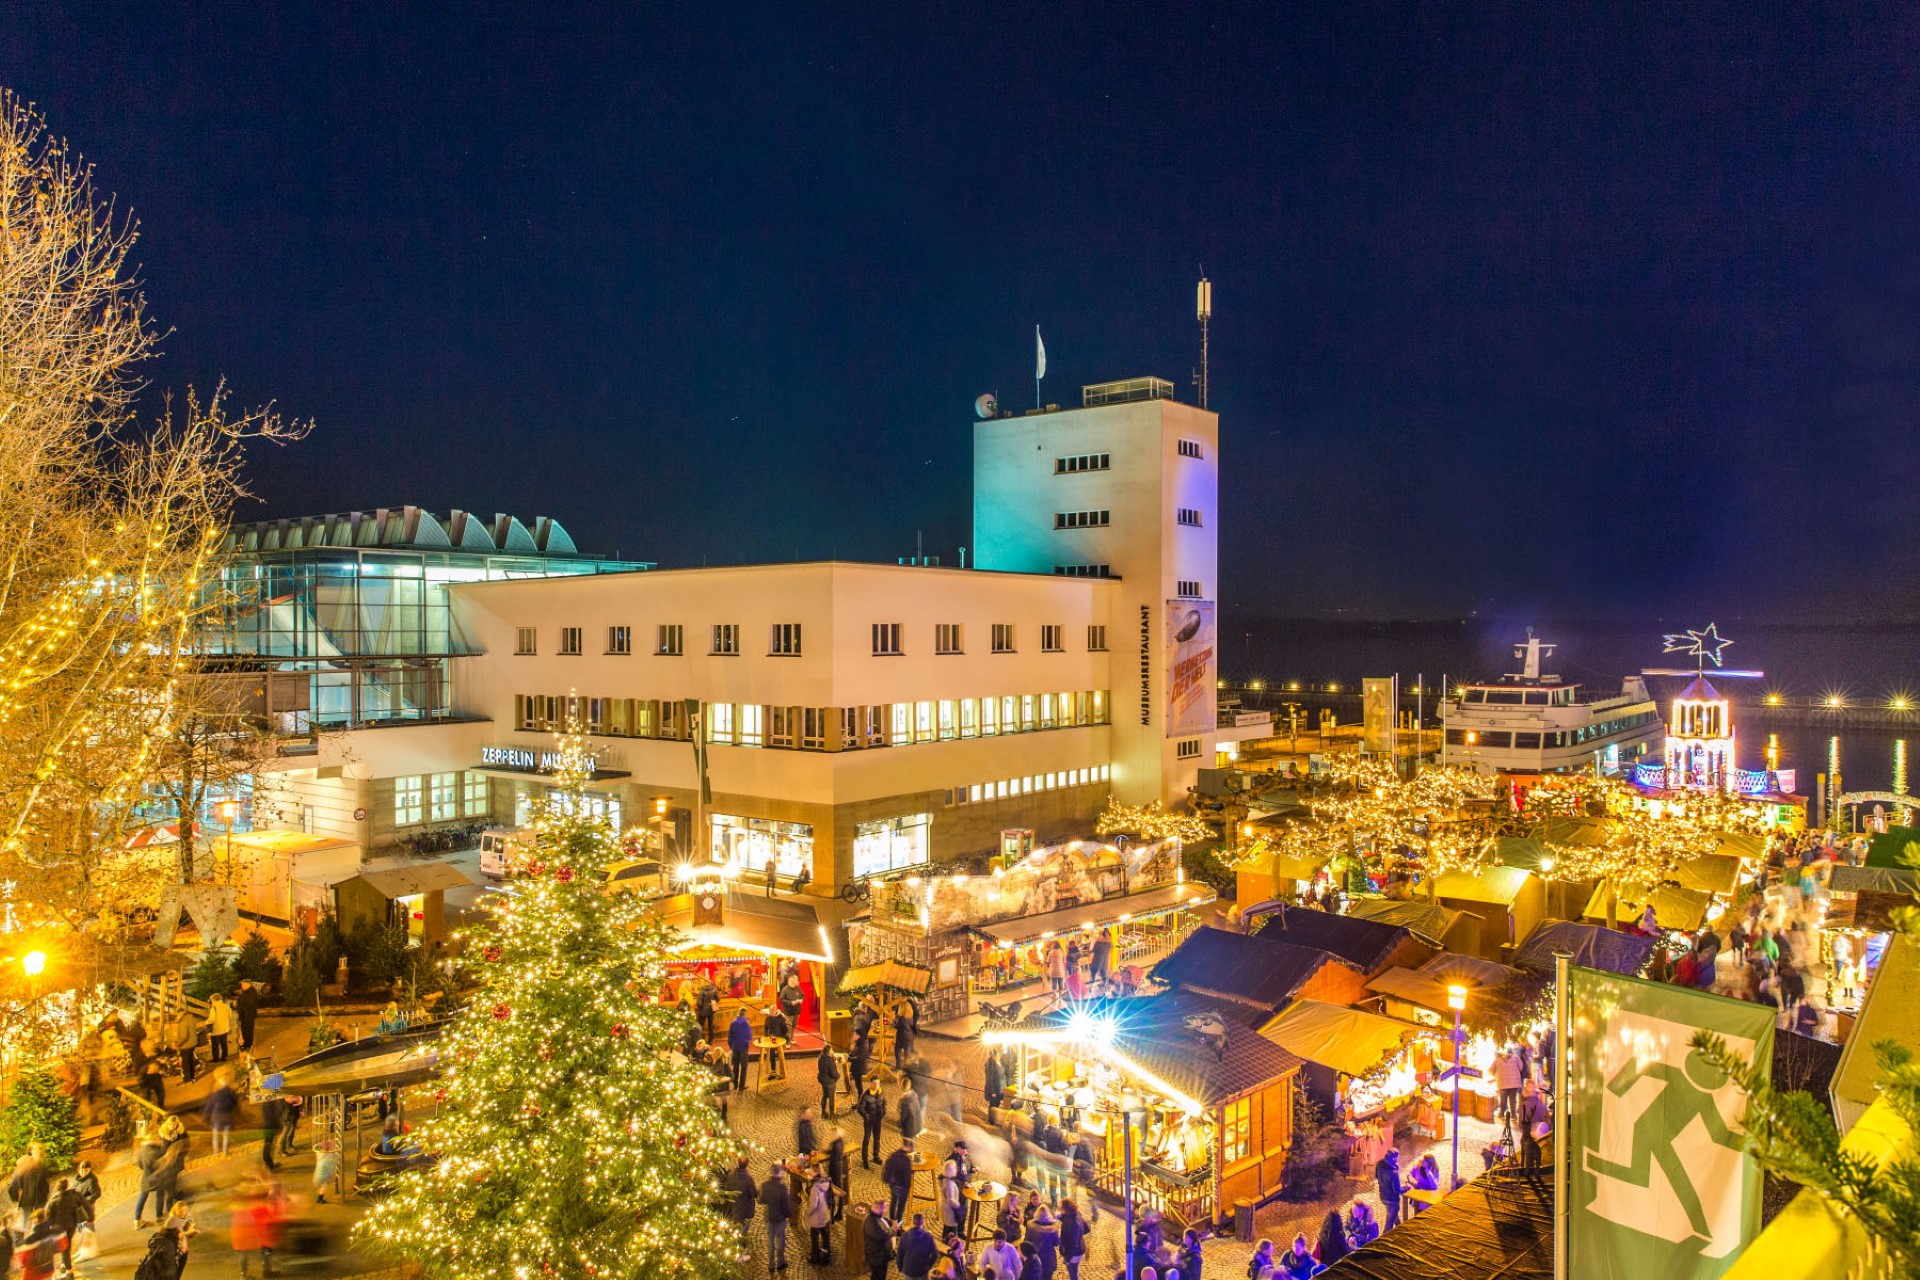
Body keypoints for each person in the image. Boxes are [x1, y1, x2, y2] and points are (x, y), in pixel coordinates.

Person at [45, 1179, 86, 1278]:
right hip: (72, 1225)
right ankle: (65, 1264)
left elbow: (49, 1217)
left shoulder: (53, 1201)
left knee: (64, 1248)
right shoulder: (73, 1196)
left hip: (60, 1228)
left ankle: (69, 1270)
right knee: (67, 1245)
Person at [760, 1162, 794, 1271]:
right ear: (779, 1173)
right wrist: (788, 1214)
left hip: (769, 1217)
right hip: (780, 1218)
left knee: (770, 1241)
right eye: (782, 1172)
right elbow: (786, 1205)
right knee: (780, 1241)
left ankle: (771, 1264)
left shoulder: (765, 1185)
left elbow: (761, 1200)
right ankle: (780, 1262)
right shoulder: (782, 1188)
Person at [9, 1142, 49, 1228]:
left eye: (41, 1149)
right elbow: (15, 1182)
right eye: (38, 1148)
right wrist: (16, 1197)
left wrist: (45, 1192)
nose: (40, 1151)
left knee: (41, 1219)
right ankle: (26, 1238)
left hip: (40, 1198)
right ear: (31, 1151)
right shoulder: (25, 1165)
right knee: (27, 1220)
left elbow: (44, 1182)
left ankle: (40, 1236)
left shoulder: (42, 1165)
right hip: (28, 1199)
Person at [203, 1072, 239, 1157]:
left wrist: (204, 1117)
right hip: (228, 1118)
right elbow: (235, 1105)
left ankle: (215, 1153)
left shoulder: (215, 1095)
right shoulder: (232, 1094)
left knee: (215, 1136)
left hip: (217, 1119)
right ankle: (225, 1152)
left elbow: (209, 1107)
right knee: (225, 1136)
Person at [805, 1169, 835, 1265]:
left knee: (814, 1236)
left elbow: (813, 1204)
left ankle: (815, 1257)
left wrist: (808, 1213)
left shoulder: (815, 1188)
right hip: (825, 1214)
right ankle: (826, 1257)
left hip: (817, 1217)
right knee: (825, 1236)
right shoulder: (827, 1182)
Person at [1518, 1080, 1549, 1170]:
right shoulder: (1528, 1101)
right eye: (1530, 1087)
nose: (1532, 1090)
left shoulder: (1535, 1101)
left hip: (1531, 1130)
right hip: (1531, 1131)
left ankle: (1528, 1167)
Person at [900, 1211, 940, 1280]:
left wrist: (900, 1267)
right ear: (923, 1222)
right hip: (922, 1270)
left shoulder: (904, 1236)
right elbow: (935, 1254)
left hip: (908, 1270)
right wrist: (928, 1266)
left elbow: (900, 1254)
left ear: (913, 1222)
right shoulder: (928, 1237)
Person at [883, 1140, 916, 1223]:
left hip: (893, 1184)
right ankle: (898, 1224)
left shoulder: (893, 1155)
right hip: (902, 1187)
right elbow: (906, 1177)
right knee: (901, 1208)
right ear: (909, 1148)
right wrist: (908, 1186)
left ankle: (891, 1220)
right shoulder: (906, 1160)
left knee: (893, 1201)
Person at [857, 1079, 887, 1168]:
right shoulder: (866, 1095)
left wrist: (884, 1111)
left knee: (877, 1139)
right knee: (867, 1139)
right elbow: (860, 1108)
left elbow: (884, 1102)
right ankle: (865, 1159)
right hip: (869, 1121)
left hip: (878, 1120)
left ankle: (876, 1156)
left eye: (878, 1083)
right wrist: (867, 1117)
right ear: (871, 1083)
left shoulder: (881, 1092)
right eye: (874, 1083)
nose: (876, 1085)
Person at [167, 1006, 200, 1086]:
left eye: (177, 1014)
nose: (177, 1016)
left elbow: (183, 1036)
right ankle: (192, 1078)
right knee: (191, 1061)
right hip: (192, 1043)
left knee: (185, 1063)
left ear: (181, 1013)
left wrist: (177, 1044)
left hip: (186, 1045)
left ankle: (187, 1080)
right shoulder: (192, 1019)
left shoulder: (183, 1022)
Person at [864, 1203, 898, 1280]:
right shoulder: (871, 1222)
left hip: (881, 1255)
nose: (885, 1210)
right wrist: (893, 1230)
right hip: (877, 1257)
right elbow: (883, 1235)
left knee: (877, 1275)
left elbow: (885, 1220)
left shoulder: (877, 1217)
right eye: (884, 1208)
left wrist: (892, 1222)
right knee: (879, 1276)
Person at [1494, 1046, 1525, 1126]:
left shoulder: (1498, 1059)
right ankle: (1513, 1116)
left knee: (1503, 1099)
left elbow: (1491, 1069)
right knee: (1513, 1099)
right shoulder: (1516, 1057)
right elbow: (1521, 1067)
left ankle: (1502, 1114)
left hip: (1502, 1082)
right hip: (1514, 1083)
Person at [1373, 1149, 1402, 1230]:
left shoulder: (1380, 1163)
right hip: (1392, 1199)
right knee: (1389, 1223)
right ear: (1394, 1158)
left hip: (1383, 1195)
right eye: (1397, 1157)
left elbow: (1376, 1176)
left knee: (1393, 1215)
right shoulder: (1393, 1172)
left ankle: (1400, 1228)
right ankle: (1383, 1240)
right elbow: (1397, 1189)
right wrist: (1407, 1188)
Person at [1059, 1202, 1088, 1280]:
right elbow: (1087, 1228)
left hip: (1074, 1254)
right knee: (1075, 1270)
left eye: (1061, 1208)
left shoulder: (1071, 1223)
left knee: (1073, 1274)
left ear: (1065, 1209)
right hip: (1081, 1249)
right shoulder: (1077, 1214)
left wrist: (1067, 1258)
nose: (1060, 1210)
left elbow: (1072, 1244)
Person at [1030, 1207, 1060, 1280]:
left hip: (1035, 1257)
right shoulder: (1053, 1228)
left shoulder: (1031, 1227)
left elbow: (1027, 1241)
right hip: (1049, 1258)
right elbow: (1056, 1243)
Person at [203, 993, 233, 1064]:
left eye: (211, 999)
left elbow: (212, 1019)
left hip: (216, 1030)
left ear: (214, 999)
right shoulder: (226, 1006)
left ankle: (216, 1059)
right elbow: (230, 1016)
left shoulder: (214, 1008)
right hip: (225, 1028)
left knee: (215, 1045)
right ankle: (224, 1056)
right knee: (224, 1044)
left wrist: (206, 1022)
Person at [827, 1136, 851, 1223]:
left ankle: (833, 1216)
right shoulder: (840, 1141)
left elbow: (834, 1156)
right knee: (838, 1192)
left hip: (835, 1171)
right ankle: (838, 1213)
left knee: (834, 1193)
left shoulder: (836, 1144)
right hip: (838, 1170)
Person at [728, 1010, 753, 1092]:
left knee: (735, 1066)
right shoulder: (746, 1024)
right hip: (743, 1048)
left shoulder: (733, 1023)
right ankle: (741, 1086)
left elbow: (730, 1036)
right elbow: (749, 1036)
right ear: (745, 1014)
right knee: (744, 1067)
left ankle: (735, 1084)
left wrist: (731, 1045)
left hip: (735, 1047)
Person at [764, 1006, 791, 1081]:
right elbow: (766, 1028)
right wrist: (767, 1037)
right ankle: (773, 1072)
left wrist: (782, 1038)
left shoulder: (781, 1018)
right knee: (771, 1056)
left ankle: (783, 1073)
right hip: (772, 1040)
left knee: (781, 1057)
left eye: (773, 1011)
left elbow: (785, 1030)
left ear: (776, 1010)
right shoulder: (768, 1018)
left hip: (780, 1039)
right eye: (771, 1012)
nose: (772, 1013)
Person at [937, 1158, 963, 1233]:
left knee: (946, 1227)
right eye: (955, 1168)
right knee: (952, 1230)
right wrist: (959, 1206)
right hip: (951, 1211)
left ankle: (944, 1238)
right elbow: (951, 1200)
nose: (956, 1169)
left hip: (945, 1208)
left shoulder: (944, 1179)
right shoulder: (950, 1184)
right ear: (951, 1170)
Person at [236, 980, 261, 1053]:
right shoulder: (245, 993)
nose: (242, 987)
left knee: (248, 1030)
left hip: (249, 1015)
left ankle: (248, 1044)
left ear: (248, 985)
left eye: (243, 985)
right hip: (244, 1015)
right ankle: (245, 1043)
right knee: (244, 1029)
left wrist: (241, 1005)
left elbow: (249, 1003)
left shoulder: (252, 993)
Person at [818, 1045, 842, 1117]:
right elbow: (833, 1073)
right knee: (832, 1098)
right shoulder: (830, 1061)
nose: (833, 1051)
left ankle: (823, 1112)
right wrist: (838, 1076)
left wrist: (832, 1059)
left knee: (825, 1096)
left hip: (823, 1080)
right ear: (828, 1052)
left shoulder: (821, 1058)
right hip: (829, 1082)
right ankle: (832, 1114)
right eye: (831, 1050)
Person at [849, 1032, 872, 1098]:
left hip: (859, 1068)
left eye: (855, 1034)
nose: (853, 1036)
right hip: (856, 1067)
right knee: (857, 1084)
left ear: (859, 1036)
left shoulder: (862, 1045)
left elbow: (860, 1058)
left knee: (859, 1086)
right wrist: (850, 1054)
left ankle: (861, 1100)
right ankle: (860, 1100)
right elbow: (854, 1053)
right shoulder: (858, 1043)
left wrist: (849, 1058)